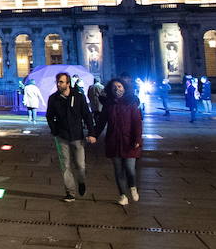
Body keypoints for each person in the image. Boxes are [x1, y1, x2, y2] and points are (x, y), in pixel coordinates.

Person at [46, 71, 98, 202]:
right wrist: (54, 130)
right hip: (61, 136)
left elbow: (87, 115)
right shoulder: (53, 98)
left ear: (68, 83)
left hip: (77, 136)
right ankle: (70, 192)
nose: (59, 84)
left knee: (80, 166)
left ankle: (81, 181)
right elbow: (49, 116)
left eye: (62, 82)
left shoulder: (79, 97)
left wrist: (91, 133)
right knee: (65, 166)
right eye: (58, 82)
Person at [96, 78, 143, 206]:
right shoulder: (109, 104)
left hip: (129, 141)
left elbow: (137, 122)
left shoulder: (132, 102)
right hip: (114, 141)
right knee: (118, 170)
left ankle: (132, 186)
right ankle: (122, 195)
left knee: (129, 168)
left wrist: (137, 139)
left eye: (119, 86)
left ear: (125, 88)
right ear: (110, 90)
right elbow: (101, 122)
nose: (117, 89)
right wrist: (94, 135)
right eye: (114, 87)